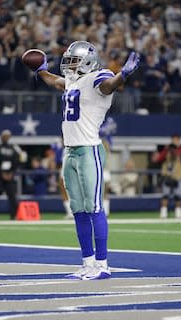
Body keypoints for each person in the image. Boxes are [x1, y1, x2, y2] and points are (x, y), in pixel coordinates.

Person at [36, 41, 139, 280]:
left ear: (88, 62)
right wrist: (40, 71)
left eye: (74, 60)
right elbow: (56, 81)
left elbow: (108, 85)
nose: (69, 65)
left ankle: (103, 265)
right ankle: (88, 264)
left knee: (94, 208)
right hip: (70, 151)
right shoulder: (73, 81)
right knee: (79, 211)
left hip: (89, 150)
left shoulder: (98, 77)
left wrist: (122, 75)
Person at [0, 130, 26, 220]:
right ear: (1, 137)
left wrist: (11, 172)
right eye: (4, 136)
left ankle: (14, 215)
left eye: (7, 136)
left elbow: (18, 161)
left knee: (12, 196)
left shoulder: (13, 148)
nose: (6, 138)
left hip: (10, 174)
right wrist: (2, 172)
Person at [158, 134, 181, 219]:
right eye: (174, 140)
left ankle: (178, 213)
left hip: (178, 176)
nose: (175, 141)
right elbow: (159, 159)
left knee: (178, 196)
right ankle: (163, 213)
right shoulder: (167, 150)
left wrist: (178, 148)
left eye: (177, 140)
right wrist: (166, 149)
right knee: (165, 195)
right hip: (167, 176)